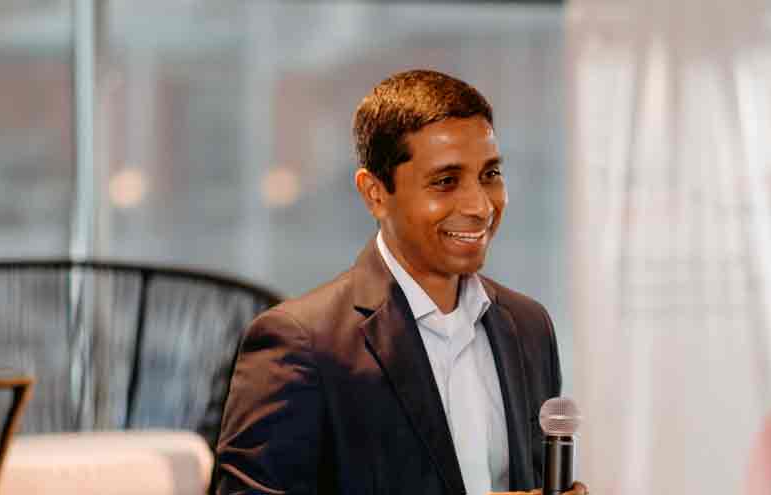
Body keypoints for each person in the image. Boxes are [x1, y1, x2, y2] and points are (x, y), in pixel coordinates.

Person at [215, 69, 587, 495]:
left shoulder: (528, 326)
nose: (481, 206)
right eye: (446, 181)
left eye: (490, 175)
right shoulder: (299, 343)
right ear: (375, 193)